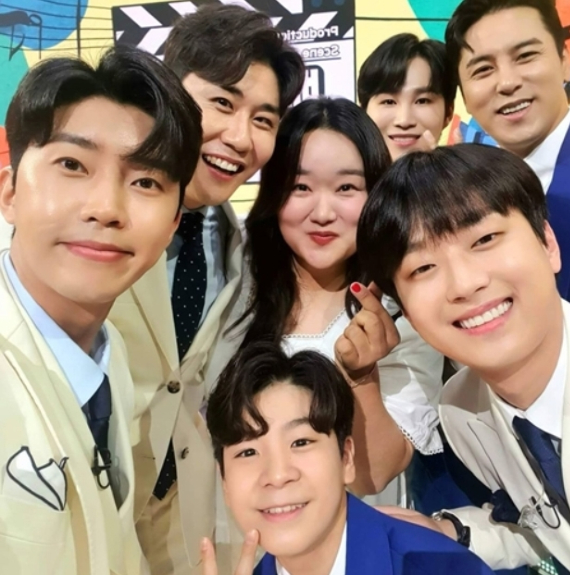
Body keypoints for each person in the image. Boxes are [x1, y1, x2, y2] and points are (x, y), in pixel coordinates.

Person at [107, 4, 305, 574]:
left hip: (180, 526)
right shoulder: (91, 221)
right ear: (169, 90)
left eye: (264, 120)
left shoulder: (239, 246)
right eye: (221, 102)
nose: (239, 137)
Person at [0, 46, 201, 574]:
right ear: (10, 190)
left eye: (146, 182)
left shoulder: (110, 356)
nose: (107, 208)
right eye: (72, 165)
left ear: (173, 224)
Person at [355, 143, 570, 574]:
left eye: (484, 239)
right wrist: (453, 532)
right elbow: (551, 526)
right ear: (405, 312)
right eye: (422, 268)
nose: (465, 284)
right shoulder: (461, 410)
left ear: (548, 243)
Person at [207, 96, 445, 502]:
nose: (322, 213)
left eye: (346, 188)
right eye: (300, 187)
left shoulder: (401, 309)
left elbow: (375, 476)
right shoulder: (232, 275)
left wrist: (362, 377)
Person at [202, 342, 495, 575]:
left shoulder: (440, 567)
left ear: (346, 458)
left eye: (301, 442)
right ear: (224, 480)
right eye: (248, 452)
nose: (277, 475)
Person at [445, 0, 570, 305]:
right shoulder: (466, 197)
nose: (507, 83)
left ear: (565, 60)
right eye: (483, 69)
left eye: (526, 56)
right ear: (464, 94)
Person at [357, 33, 456, 160]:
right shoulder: (343, 171)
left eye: (422, 101)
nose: (404, 121)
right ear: (364, 113)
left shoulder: (470, 171)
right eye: (388, 102)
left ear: (448, 112)